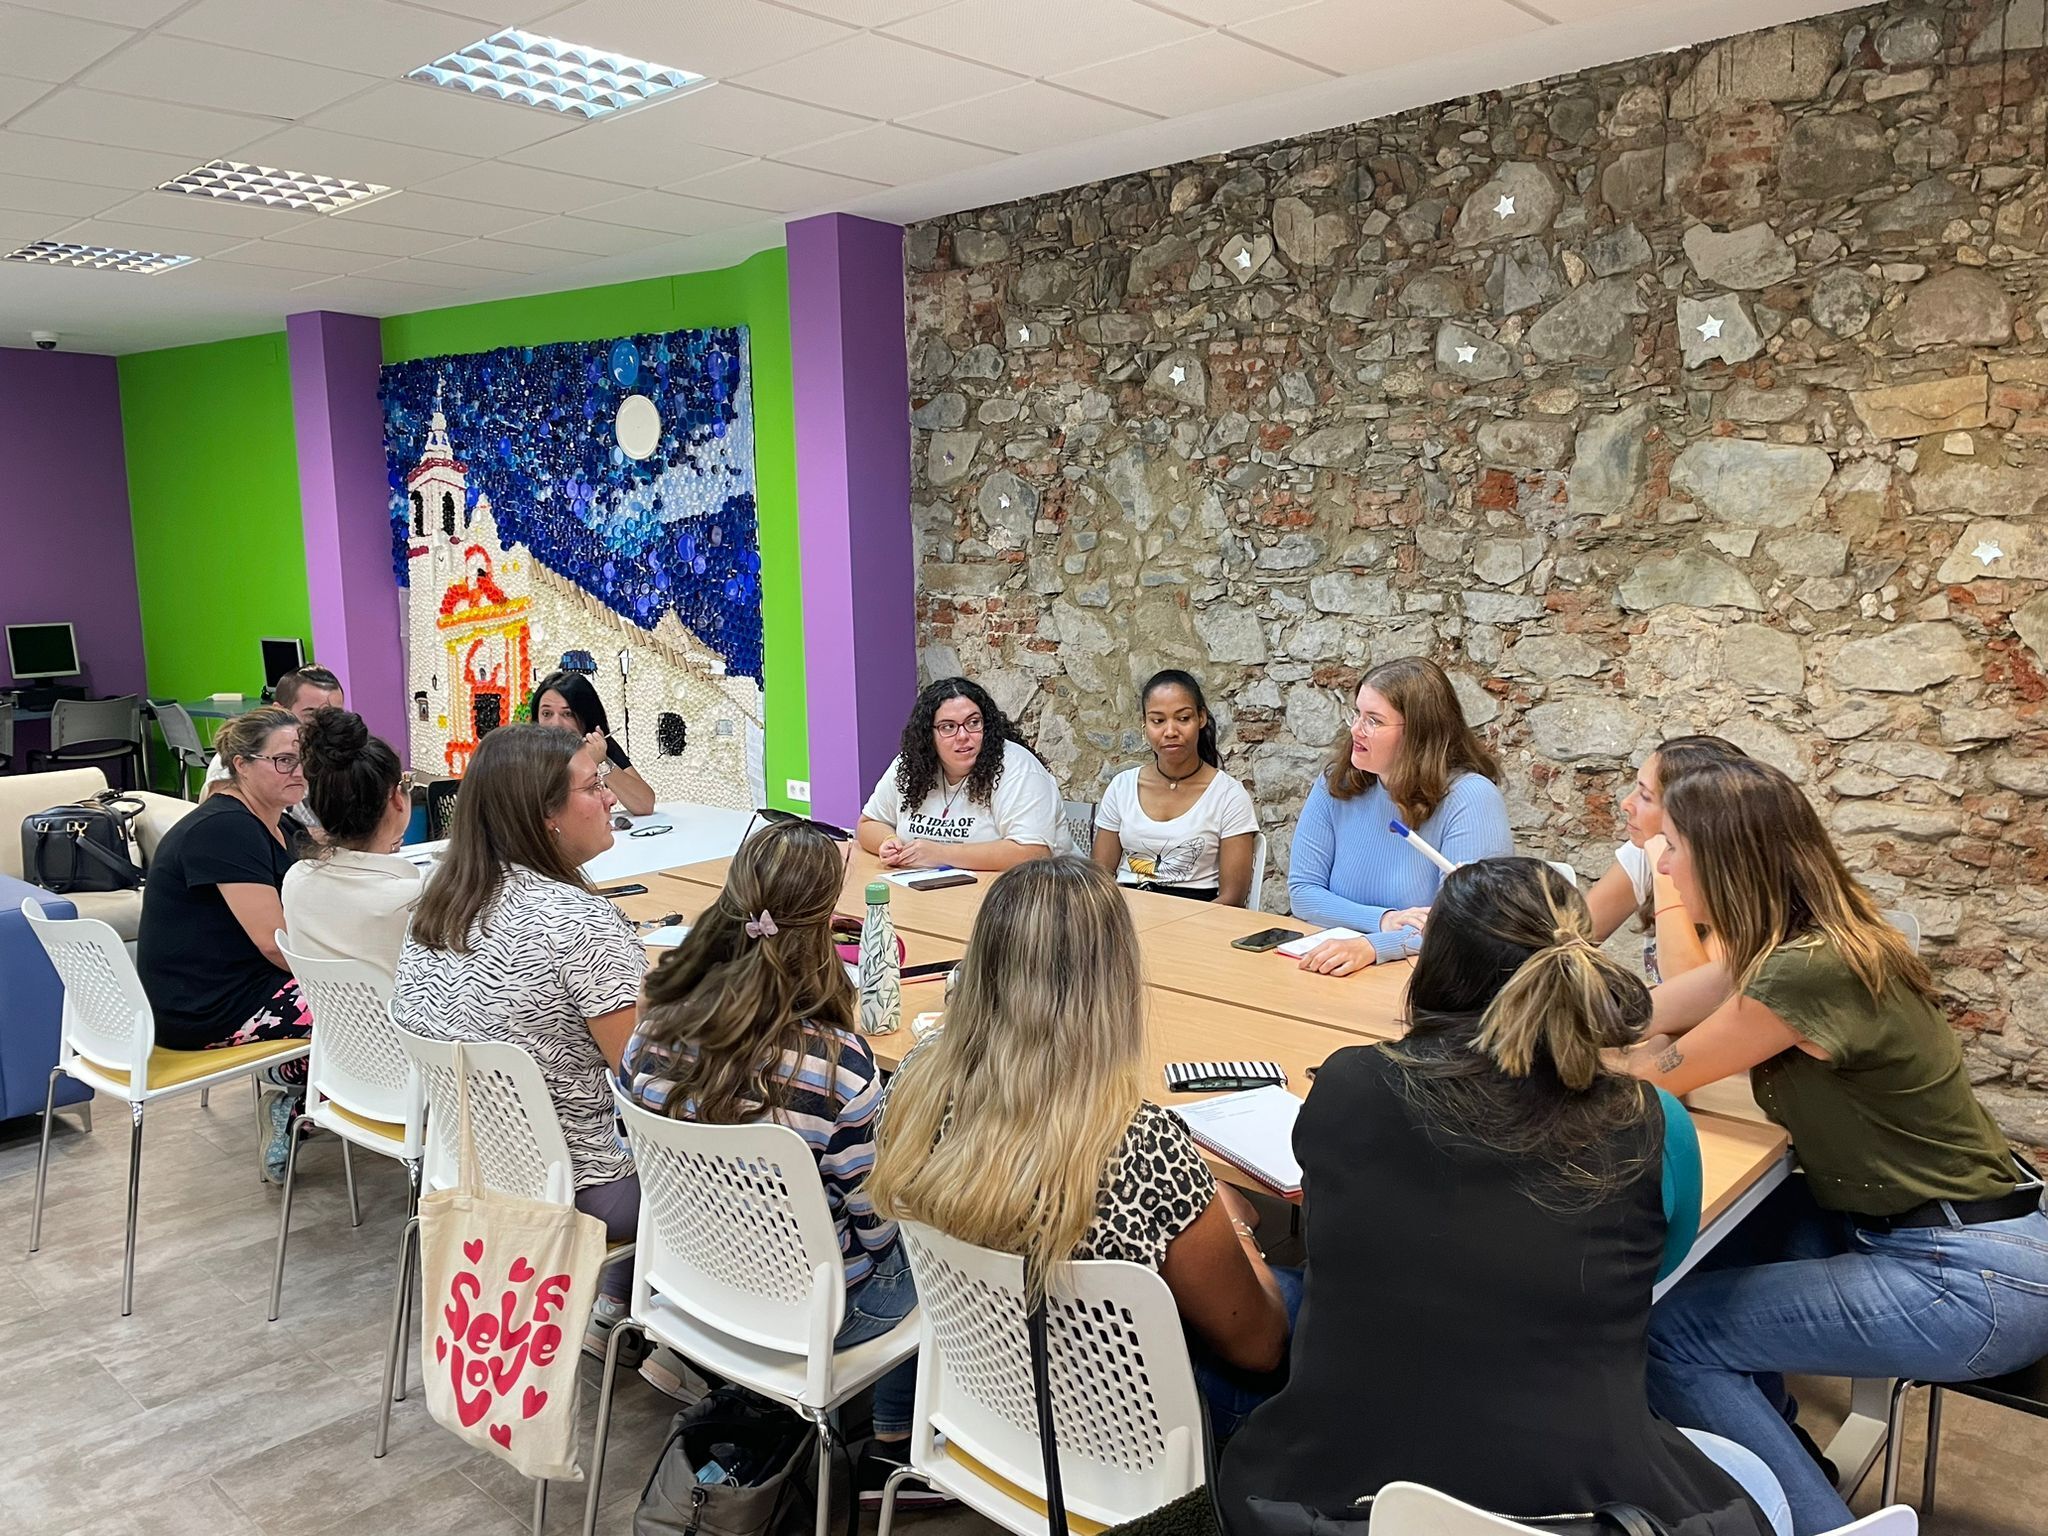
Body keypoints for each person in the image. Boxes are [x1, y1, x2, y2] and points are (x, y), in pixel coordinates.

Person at [1219, 857, 1780, 1536]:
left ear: (1437, 968)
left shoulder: (1347, 1084)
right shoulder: (1653, 1123)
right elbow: (1647, 1271)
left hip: (1333, 1497)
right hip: (1585, 1505)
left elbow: (1335, 1219)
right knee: (1752, 1489)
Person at [1616, 758, 2048, 1536]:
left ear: (1726, 858)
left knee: (1672, 1335)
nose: (1664, 866)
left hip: (1968, 1275)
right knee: (1719, 1249)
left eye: (1674, 845)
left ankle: (1815, 1522)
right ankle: (1786, 1461)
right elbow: (1647, 1013)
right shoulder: (1801, 945)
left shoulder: (1805, 972)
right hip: (1960, 1236)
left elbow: (1657, 1074)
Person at [871, 856, 1294, 1434]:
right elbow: (1259, 1348)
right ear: (1115, 981)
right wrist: (1239, 1229)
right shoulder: (1139, 1144)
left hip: (980, 1395)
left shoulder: (915, 1085)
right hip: (1117, 1432)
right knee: (1300, 1297)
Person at [621, 818, 931, 1501]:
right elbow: (878, 1229)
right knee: (941, 1236)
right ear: (826, 927)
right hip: (815, 1314)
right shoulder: (837, 1068)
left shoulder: (651, 1030)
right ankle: (894, 1444)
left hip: (695, 1283)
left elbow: (633, 1152)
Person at [393, 724, 647, 1320]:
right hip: (582, 1187)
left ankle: (618, 1304)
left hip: (473, 1168)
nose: (609, 797)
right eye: (593, 786)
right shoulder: (578, 922)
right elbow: (647, 1079)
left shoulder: (437, 907)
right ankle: (697, 1345)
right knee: (779, 1166)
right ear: (544, 815)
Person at [138, 706, 310, 1180]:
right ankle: (294, 1099)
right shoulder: (225, 829)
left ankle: (307, 1092)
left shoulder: (278, 823)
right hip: (208, 1006)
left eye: (305, 759)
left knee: (371, 997)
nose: (299, 771)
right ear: (242, 765)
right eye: (284, 760)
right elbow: (276, 943)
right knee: (372, 1008)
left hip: (238, 984)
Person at [1287, 656, 1512, 973]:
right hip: (1334, 967)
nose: (1356, 730)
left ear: (1420, 733)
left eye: (1374, 721)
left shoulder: (1471, 797)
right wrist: (1383, 920)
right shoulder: (1335, 783)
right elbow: (1303, 893)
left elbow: (1465, 922)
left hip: (1427, 975)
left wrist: (1374, 946)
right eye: (1357, 714)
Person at [1582, 736, 1747, 983]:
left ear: (1690, 815)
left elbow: (1690, 991)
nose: (1626, 804)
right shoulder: (1644, 852)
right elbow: (1569, 940)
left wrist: (1665, 874)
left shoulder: (1746, 890)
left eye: (1645, 796)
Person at [856, 677, 1063, 872]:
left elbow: (1033, 854)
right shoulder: (912, 764)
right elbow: (868, 824)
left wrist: (941, 854)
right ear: (928, 735)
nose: (963, 736)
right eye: (948, 727)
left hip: (1026, 890)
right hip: (930, 889)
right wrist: (888, 841)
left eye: (973, 723)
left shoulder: (1018, 768)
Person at [1092, 669, 1259, 906]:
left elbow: (1232, 898)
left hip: (1200, 915)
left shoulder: (1228, 795)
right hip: (1128, 913)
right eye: (1158, 721)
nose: (1170, 732)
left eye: (1183, 718)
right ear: (1144, 724)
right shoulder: (1122, 787)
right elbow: (1100, 877)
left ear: (1201, 718)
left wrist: (1177, 924)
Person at [280, 709, 420, 984]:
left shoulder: (296, 879)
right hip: (403, 1013)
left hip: (329, 1014)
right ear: (396, 799)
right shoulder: (412, 899)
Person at [204, 666, 345, 829]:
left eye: (333, 715)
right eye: (311, 715)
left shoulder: (329, 753)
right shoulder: (238, 759)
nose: (324, 725)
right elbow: (252, 829)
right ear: (280, 711)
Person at [530, 668, 657, 818]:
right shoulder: (525, 750)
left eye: (568, 714)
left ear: (586, 717)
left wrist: (601, 762)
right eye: (547, 714)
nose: (555, 723)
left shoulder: (597, 745)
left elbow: (644, 805)